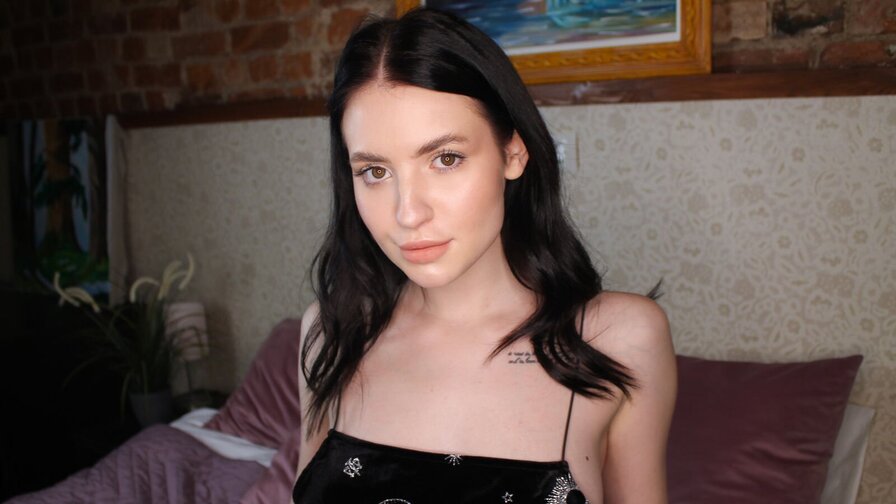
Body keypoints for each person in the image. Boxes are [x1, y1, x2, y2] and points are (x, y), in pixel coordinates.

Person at [292, 7, 676, 504]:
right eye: (375, 172)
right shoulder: (331, 332)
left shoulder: (617, 340)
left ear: (513, 153)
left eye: (445, 159)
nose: (408, 213)